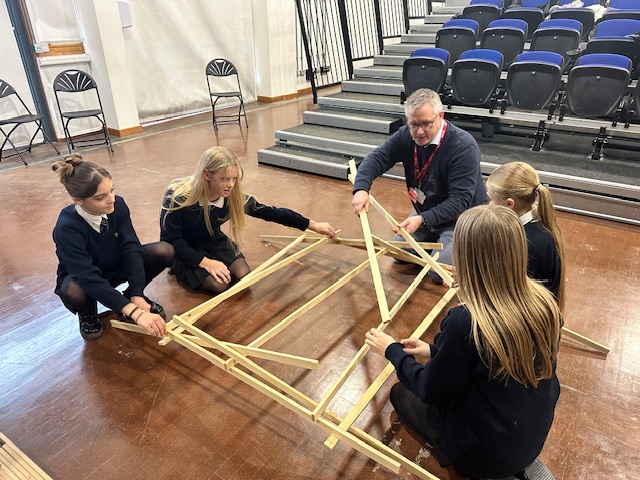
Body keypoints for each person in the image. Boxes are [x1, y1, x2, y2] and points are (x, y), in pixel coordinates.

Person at [365, 205, 561, 479]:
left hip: (483, 453)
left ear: (467, 259)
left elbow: (431, 390)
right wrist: (434, 350)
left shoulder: (466, 321)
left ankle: (493, 468)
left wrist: (393, 351)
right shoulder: (545, 301)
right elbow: (493, 358)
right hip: (531, 434)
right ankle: (514, 460)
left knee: (401, 394)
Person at [351, 88, 487, 283]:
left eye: (426, 124)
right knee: (399, 252)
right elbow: (377, 158)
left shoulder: (463, 147)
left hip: (461, 219)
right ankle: (440, 245)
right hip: (427, 213)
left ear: (441, 116)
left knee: (439, 274)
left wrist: (422, 219)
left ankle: (472, 247)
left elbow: (460, 201)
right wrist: (361, 189)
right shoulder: (406, 135)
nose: (419, 132)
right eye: (414, 125)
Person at [160, 146, 336, 294]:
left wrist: (312, 225)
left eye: (234, 179)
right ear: (206, 174)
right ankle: (178, 267)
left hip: (211, 239)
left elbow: (271, 212)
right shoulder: (178, 197)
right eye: (224, 179)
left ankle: (210, 264)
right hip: (182, 247)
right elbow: (171, 241)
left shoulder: (231, 197)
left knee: (244, 275)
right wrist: (205, 262)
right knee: (220, 285)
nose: (231, 185)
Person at [52, 154, 174, 340]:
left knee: (163, 251)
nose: (111, 199)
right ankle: (88, 313)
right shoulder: (66, 228)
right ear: (78, 200)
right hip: (84, 278)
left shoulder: (118, 205)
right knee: (74, 292)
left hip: (114, 265)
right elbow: (86, 276)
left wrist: (137, 294)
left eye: (112, 190)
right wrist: (135, 313)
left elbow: (131, 248)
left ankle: (130, 296)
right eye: (101, 197)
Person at [486, 161, 565, 310]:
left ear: (509, 204)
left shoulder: (528, 243)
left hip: (526, 313)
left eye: (491, 199)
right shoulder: (535, 221)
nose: (489, 205)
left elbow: (511, 297)